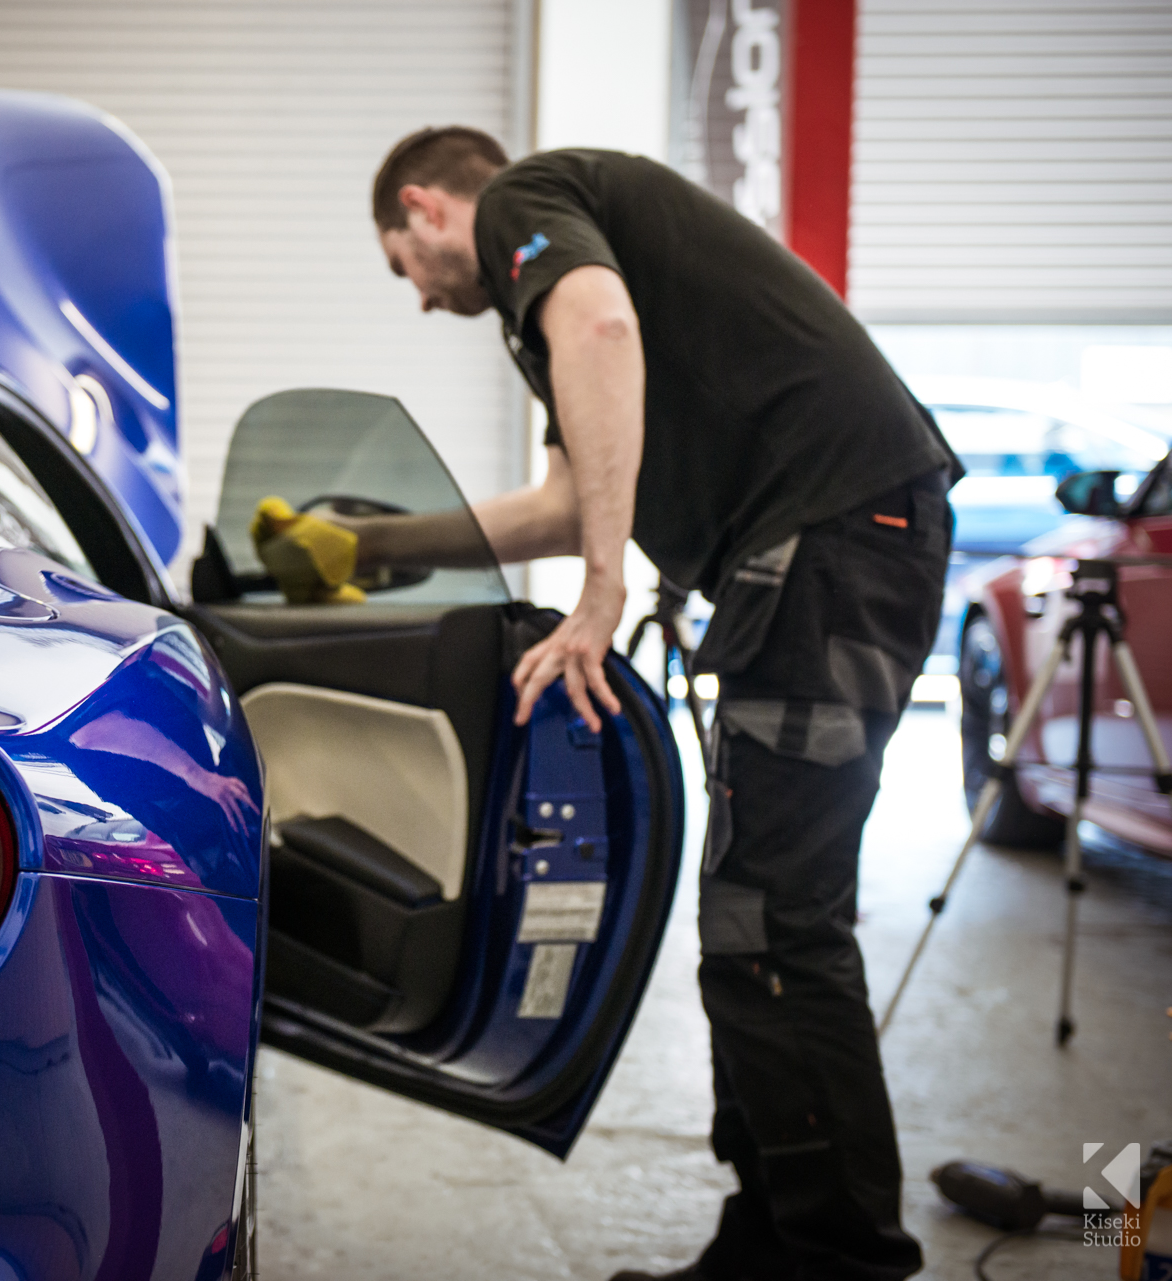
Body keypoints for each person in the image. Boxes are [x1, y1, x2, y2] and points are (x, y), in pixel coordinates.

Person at [261, 127, 958, 1281]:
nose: (423, 301)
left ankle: (842, 1258)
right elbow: (559, 498)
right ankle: (772, 1235)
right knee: (753, 921)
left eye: (402, 266)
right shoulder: (561, 278)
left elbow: (601, 329)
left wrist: (600, 593)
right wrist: (364, 547)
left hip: (834, 549)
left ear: (428, 209)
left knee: (780, 923)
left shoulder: (529, 202)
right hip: (826, 554)